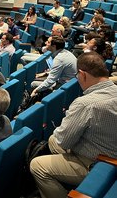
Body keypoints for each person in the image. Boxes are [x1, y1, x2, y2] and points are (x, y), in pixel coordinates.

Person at [30, 52, 117, 198]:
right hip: (109, 148)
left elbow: (64, 140)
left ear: (82, 74)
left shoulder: (85, 103)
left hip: (98, 162)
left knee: (37, 165)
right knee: (52, 140)